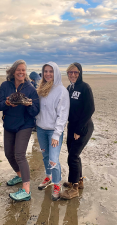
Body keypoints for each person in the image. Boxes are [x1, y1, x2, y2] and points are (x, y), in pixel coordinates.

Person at [0, 59, 40, 201]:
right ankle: (20, 175)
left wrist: (28, 104)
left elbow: (35, 111)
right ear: (13, 71)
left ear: (26, 72)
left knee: (20, 154)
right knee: (9, 153)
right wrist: (8, 103)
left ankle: (26, 190)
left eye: (23, 70)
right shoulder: (5, 86)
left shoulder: (30, 89)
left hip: (25, 125)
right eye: (18, 70)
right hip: (9, 124)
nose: (21, 72)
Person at [60, 62, 95, 200]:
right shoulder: (69, 88)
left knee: (73, 156)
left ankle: (74, 189)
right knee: (73, 154)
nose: (73, 75)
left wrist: (79, 130)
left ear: (80, 73)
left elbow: (90, 109)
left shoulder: (85, 87)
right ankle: (78, 180)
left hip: (83, 127)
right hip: (72, 126)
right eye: (70, 73)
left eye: (75, 72)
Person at [36, 62, 70, 201]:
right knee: (45, 156)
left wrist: (57, 134)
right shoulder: (41, 88)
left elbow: (62, 115)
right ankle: (48, 177)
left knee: (53, 160)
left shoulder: (62, 91)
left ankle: (57, 184)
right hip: (41, 129)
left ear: (56, 73)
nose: (48, 74)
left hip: (53, 132)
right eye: (45, 71)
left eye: (51, 71)